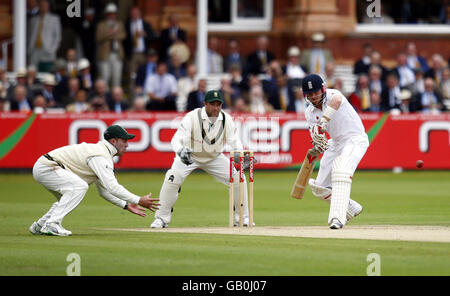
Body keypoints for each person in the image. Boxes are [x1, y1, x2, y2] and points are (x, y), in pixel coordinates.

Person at [29, 125, 160, 236]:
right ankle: (52, 224)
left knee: (66, 198)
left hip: (47, 166)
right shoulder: (100, 155)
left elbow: (104, 191)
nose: (127, 145)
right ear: (113, 141)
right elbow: (112, 187)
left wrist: (125, 205)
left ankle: (40, 226)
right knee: (79, 186)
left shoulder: (102, 153)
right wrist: (138, 200)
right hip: (48, 167)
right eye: (124, 141)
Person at [150, 90, 253, 228]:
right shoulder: (192, 117)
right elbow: (176, 139)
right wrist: (181, 151)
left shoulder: (226, 119)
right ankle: (161, 219)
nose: (216, 108)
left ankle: (242, 218)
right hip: (190, 156)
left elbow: (234, 141)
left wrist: (240, 154)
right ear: (205, 104)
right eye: (212, 104)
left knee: (238, 178)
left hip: (214, 157)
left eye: (218, 104)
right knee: (172, 177)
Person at [301, 74, 368, 229]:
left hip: (354, 139)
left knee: (342, 170)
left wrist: (324, 121)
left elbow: (337, 101)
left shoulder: (333, 95)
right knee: (319, 188)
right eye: (309, 94)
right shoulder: (309, 113)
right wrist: (318, 141)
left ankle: (337, 218)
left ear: (323, 89)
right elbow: (316, 134)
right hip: (336, 143)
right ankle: (351, 207)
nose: (313, 96)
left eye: (315, 92)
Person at [96, 3, 126, 88]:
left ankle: (116, 97)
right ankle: (105, 97)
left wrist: (111, 35)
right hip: (105, 54)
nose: (112, 16)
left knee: (117, 77)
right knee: (105, 77)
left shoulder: (120, 24)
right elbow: (98, 38)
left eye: (113, 13)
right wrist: (110, 34)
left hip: (117, 54)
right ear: (107, 14)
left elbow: (123, 35)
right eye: (110, 14)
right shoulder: (101, 25)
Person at [27, 0, 62, 72]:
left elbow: (58, 37)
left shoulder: (54, 19)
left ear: (48, 6)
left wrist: (52, 49)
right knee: (33, 71)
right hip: (35, 50)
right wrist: (29, 49)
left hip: (48, 50)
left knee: (48, 72)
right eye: (41, 5)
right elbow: (29, 36)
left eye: (44, 5)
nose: (42, 7)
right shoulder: (33, 19)